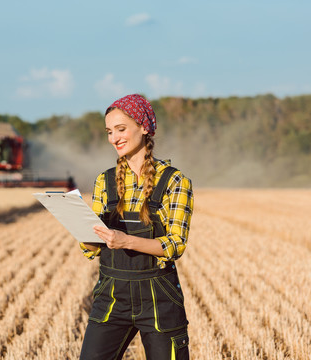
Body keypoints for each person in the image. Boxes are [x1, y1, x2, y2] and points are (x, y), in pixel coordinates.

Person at [79, 94, 194, 360]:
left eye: (121, 129)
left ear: (144, 127)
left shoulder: (174, 181)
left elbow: (175, 245)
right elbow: (91, 249)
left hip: (159, 297)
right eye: (109, 131)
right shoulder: (103, 181)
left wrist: (126, 241)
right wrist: (82, 231)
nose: (113, 138)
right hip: (111, 296)